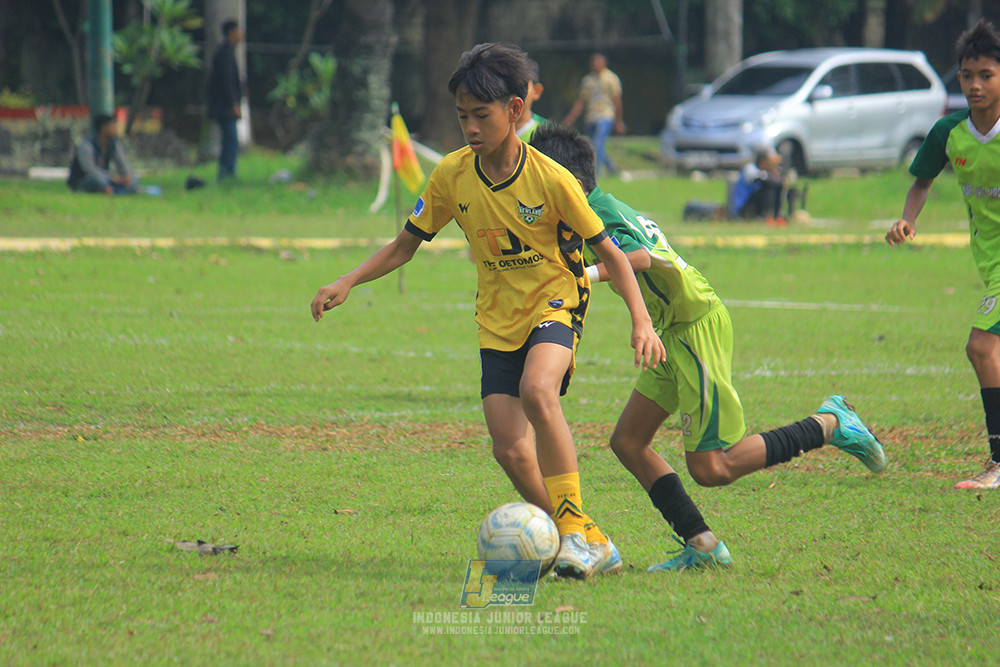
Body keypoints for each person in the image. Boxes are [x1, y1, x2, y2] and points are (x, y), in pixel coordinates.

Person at [311, 43, 666, 580]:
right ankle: (592, 538)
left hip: (556, 300)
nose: (470, 127)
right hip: (497, 319)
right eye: (462, 117)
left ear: (516, 110)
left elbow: (611, 255)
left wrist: (640, 319)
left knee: (538, 390)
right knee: (508, 448)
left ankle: (569, 536)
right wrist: (349, 279)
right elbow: (404, 246)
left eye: (482, 115)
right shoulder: (452, 177)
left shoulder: (550, 178)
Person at [530, 123, 887, 571]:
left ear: (568, 181)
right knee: (628, 441)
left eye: (539, 178)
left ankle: (831, 423)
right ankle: (701, 544)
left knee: (713, 467)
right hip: (670, 331)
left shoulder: (599, 212)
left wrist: (585, 276)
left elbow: (637, 257)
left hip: (695, 326)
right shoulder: (591, 210)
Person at [886, 19, 1000, 490]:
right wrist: (907, 218)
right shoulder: (949, 133)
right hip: (991, 263)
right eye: (966, 75)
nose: (974, 85)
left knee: (982, 347)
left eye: (986, 75)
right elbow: (923, 180)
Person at [562, 53, 624, 177]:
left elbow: (617, 100)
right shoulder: (588, 80)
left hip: (605, 115)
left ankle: (597, 174)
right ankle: (612, 168)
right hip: (591, 117)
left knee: (597, 144)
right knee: (595, 147)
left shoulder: (611, 78)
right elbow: (581, 101)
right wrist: (571, 118)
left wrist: (619, 121)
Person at [207, 19, 243, 181]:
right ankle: (227, 173)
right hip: (224, 106)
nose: (241, 34)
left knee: (229, 140)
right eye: (238, 31)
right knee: (231, 140)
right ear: (231, 33)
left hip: (224, 105)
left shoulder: (227, 52)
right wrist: (233, 103)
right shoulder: (225, 54)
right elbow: (226, 82)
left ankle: (225, 172)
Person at [730, 148, 804, 225]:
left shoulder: (767, 171)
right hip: (745, 206)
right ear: (762, 161)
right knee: (768, 187)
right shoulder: (750, 169)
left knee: (778, 185)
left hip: (756, 204)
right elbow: (763, 179)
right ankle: (767, 216)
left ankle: (777, 216)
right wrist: (774, 175)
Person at [66, 114, 137, 195]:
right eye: (112, 125)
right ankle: (115, 190)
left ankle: (113, 190)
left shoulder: (114, 143)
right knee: (98, 182)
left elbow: (122, 163)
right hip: (85, 179)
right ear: (103, 128)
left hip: (106, 179)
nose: (115, 128)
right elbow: (90, 170)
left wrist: (127, 177)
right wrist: (112, 178)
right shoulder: (86, 145)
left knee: (134, 180)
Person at [514, 57, 545, 140]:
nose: (514, 93)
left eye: (521, 86)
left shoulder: (548, 134)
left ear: (536, 91)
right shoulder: (486, 132)